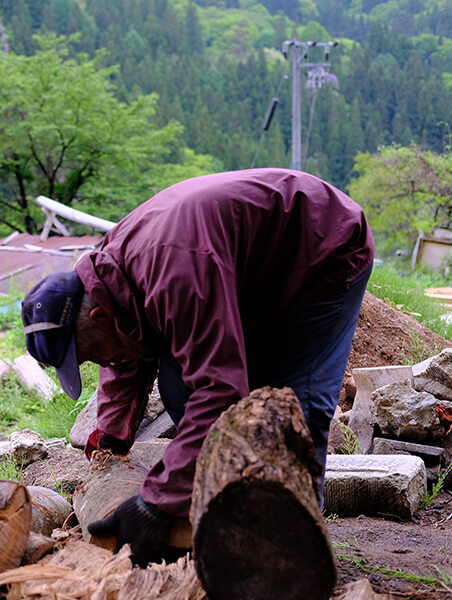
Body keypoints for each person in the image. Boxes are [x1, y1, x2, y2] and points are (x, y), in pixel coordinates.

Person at [22, 168, 373, 565]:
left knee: (296, 405)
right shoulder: (107, 280)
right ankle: (224, 509)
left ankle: (292, 551)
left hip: (321, 246)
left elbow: (221, 390)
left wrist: (153, 505)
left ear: (100, 317)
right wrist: (112, 438)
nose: (101, 363)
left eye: (92, 355)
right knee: (179, 387)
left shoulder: (172, 271)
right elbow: (124, 356)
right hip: (243, 268)